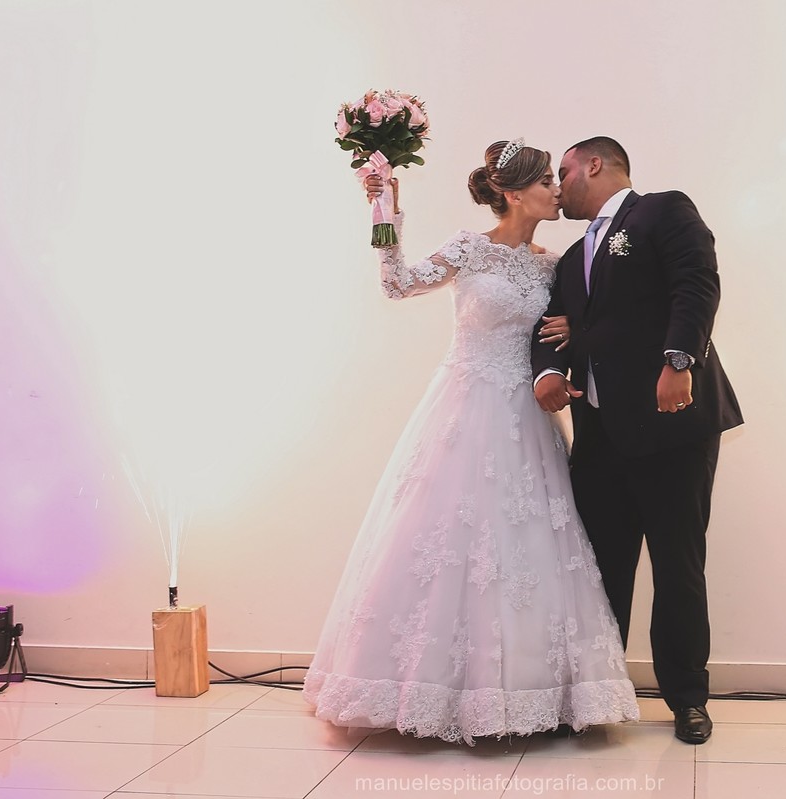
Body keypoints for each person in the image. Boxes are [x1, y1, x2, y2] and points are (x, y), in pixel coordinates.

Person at [304, 139, 640, 744]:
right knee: (444, 541)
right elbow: (398, 284)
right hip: (463, 407)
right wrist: (385, 215)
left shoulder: (552, 265)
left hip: (526, 417)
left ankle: (534, 693)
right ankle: (423, 690)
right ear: (513, 193)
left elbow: (566, 330)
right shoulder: (468, 249)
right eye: (546, 182)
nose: (556, 191)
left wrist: (574, 332)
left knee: (527, 547)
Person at [532, 136, 743, 745]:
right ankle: (596, 697)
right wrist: (548, 372)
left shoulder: (662, 210)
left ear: (595, 165)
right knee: (599, 570)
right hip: (599, 435)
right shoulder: (573, 258)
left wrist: (680, 359)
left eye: (565, 171)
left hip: (671, 423)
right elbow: (553, 326)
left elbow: (695, 285)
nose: (559, 185)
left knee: (678, 567)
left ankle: (687, 699)